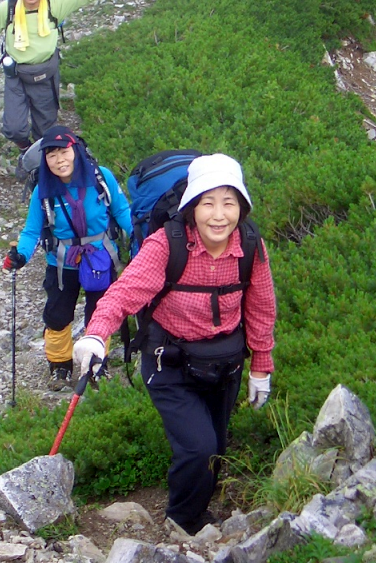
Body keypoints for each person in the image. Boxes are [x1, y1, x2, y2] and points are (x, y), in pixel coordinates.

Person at [72, 153, 276, 535]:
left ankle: (197, 517)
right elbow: (124, 293)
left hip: (225, 366)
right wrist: (96, 334)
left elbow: (262, 308)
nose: (219, 215)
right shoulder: (168, 245)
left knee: (214, 450)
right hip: (170, 364)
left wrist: (261, 366)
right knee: (198, 449)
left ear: (242, 207)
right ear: (192, 206)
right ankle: (181, 524)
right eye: (208, 202)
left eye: (229, 203)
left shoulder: (250, 246)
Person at [0, 0, 132, 178]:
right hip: (16, 75)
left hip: (45, 75)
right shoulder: (8, 9)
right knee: (14, 128)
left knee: (46, 129)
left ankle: (40, 161)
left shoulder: (55, 6)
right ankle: (26, 152)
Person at [2, 124, 133, 390]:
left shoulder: (101, 178)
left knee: (99, 312)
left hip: (100, 258)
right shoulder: (42, 190)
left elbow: (123, 212)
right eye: (51, 155)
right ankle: (60, 366)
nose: (59, 160)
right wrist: (21, 255)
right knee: (57, 315)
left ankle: (96, 364)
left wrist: (145, 240)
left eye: (63, 152)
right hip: (61, 262)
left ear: (76, 150)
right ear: (45, 160)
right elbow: (31, 230)